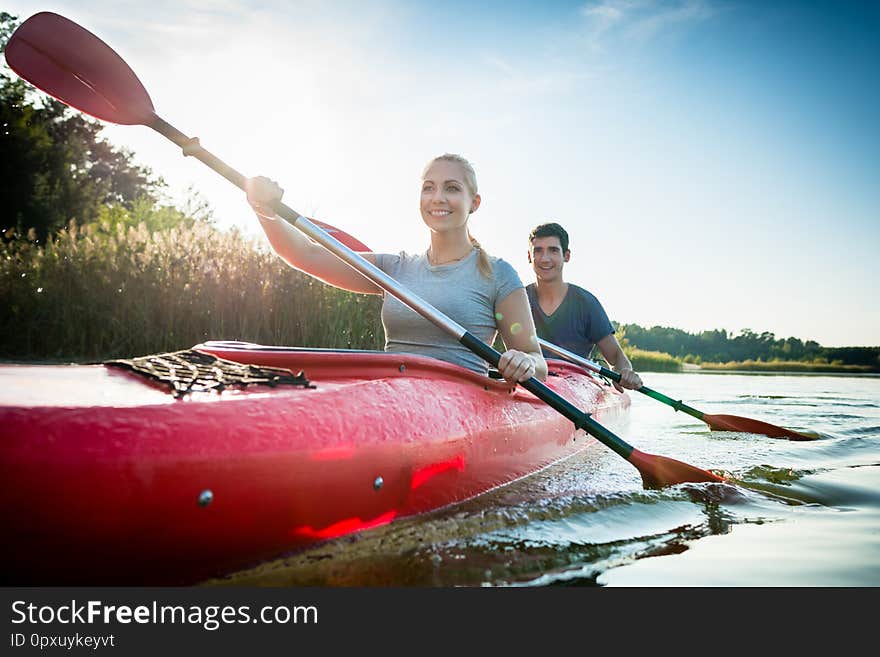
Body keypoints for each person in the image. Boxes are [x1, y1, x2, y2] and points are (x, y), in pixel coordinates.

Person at [245, 153, 547, 385]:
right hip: (393, 401)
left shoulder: (499, 275)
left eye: (452, 188)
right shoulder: (392, 269)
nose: (438, 197)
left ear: (474, 203)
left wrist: (524, 362)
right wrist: (266, 211)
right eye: (429, 188)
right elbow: (305, 255)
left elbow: (538, 362)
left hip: (461, 410)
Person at [526, 222, 642, 391]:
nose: (545, 258)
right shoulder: (516, 298)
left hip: (576, 390)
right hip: (528, 384)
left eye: (553, 250)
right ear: (529, 256)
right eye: (538, 251)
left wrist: (624, 371)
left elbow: (617, 357)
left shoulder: (586, 303)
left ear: (566, 255)